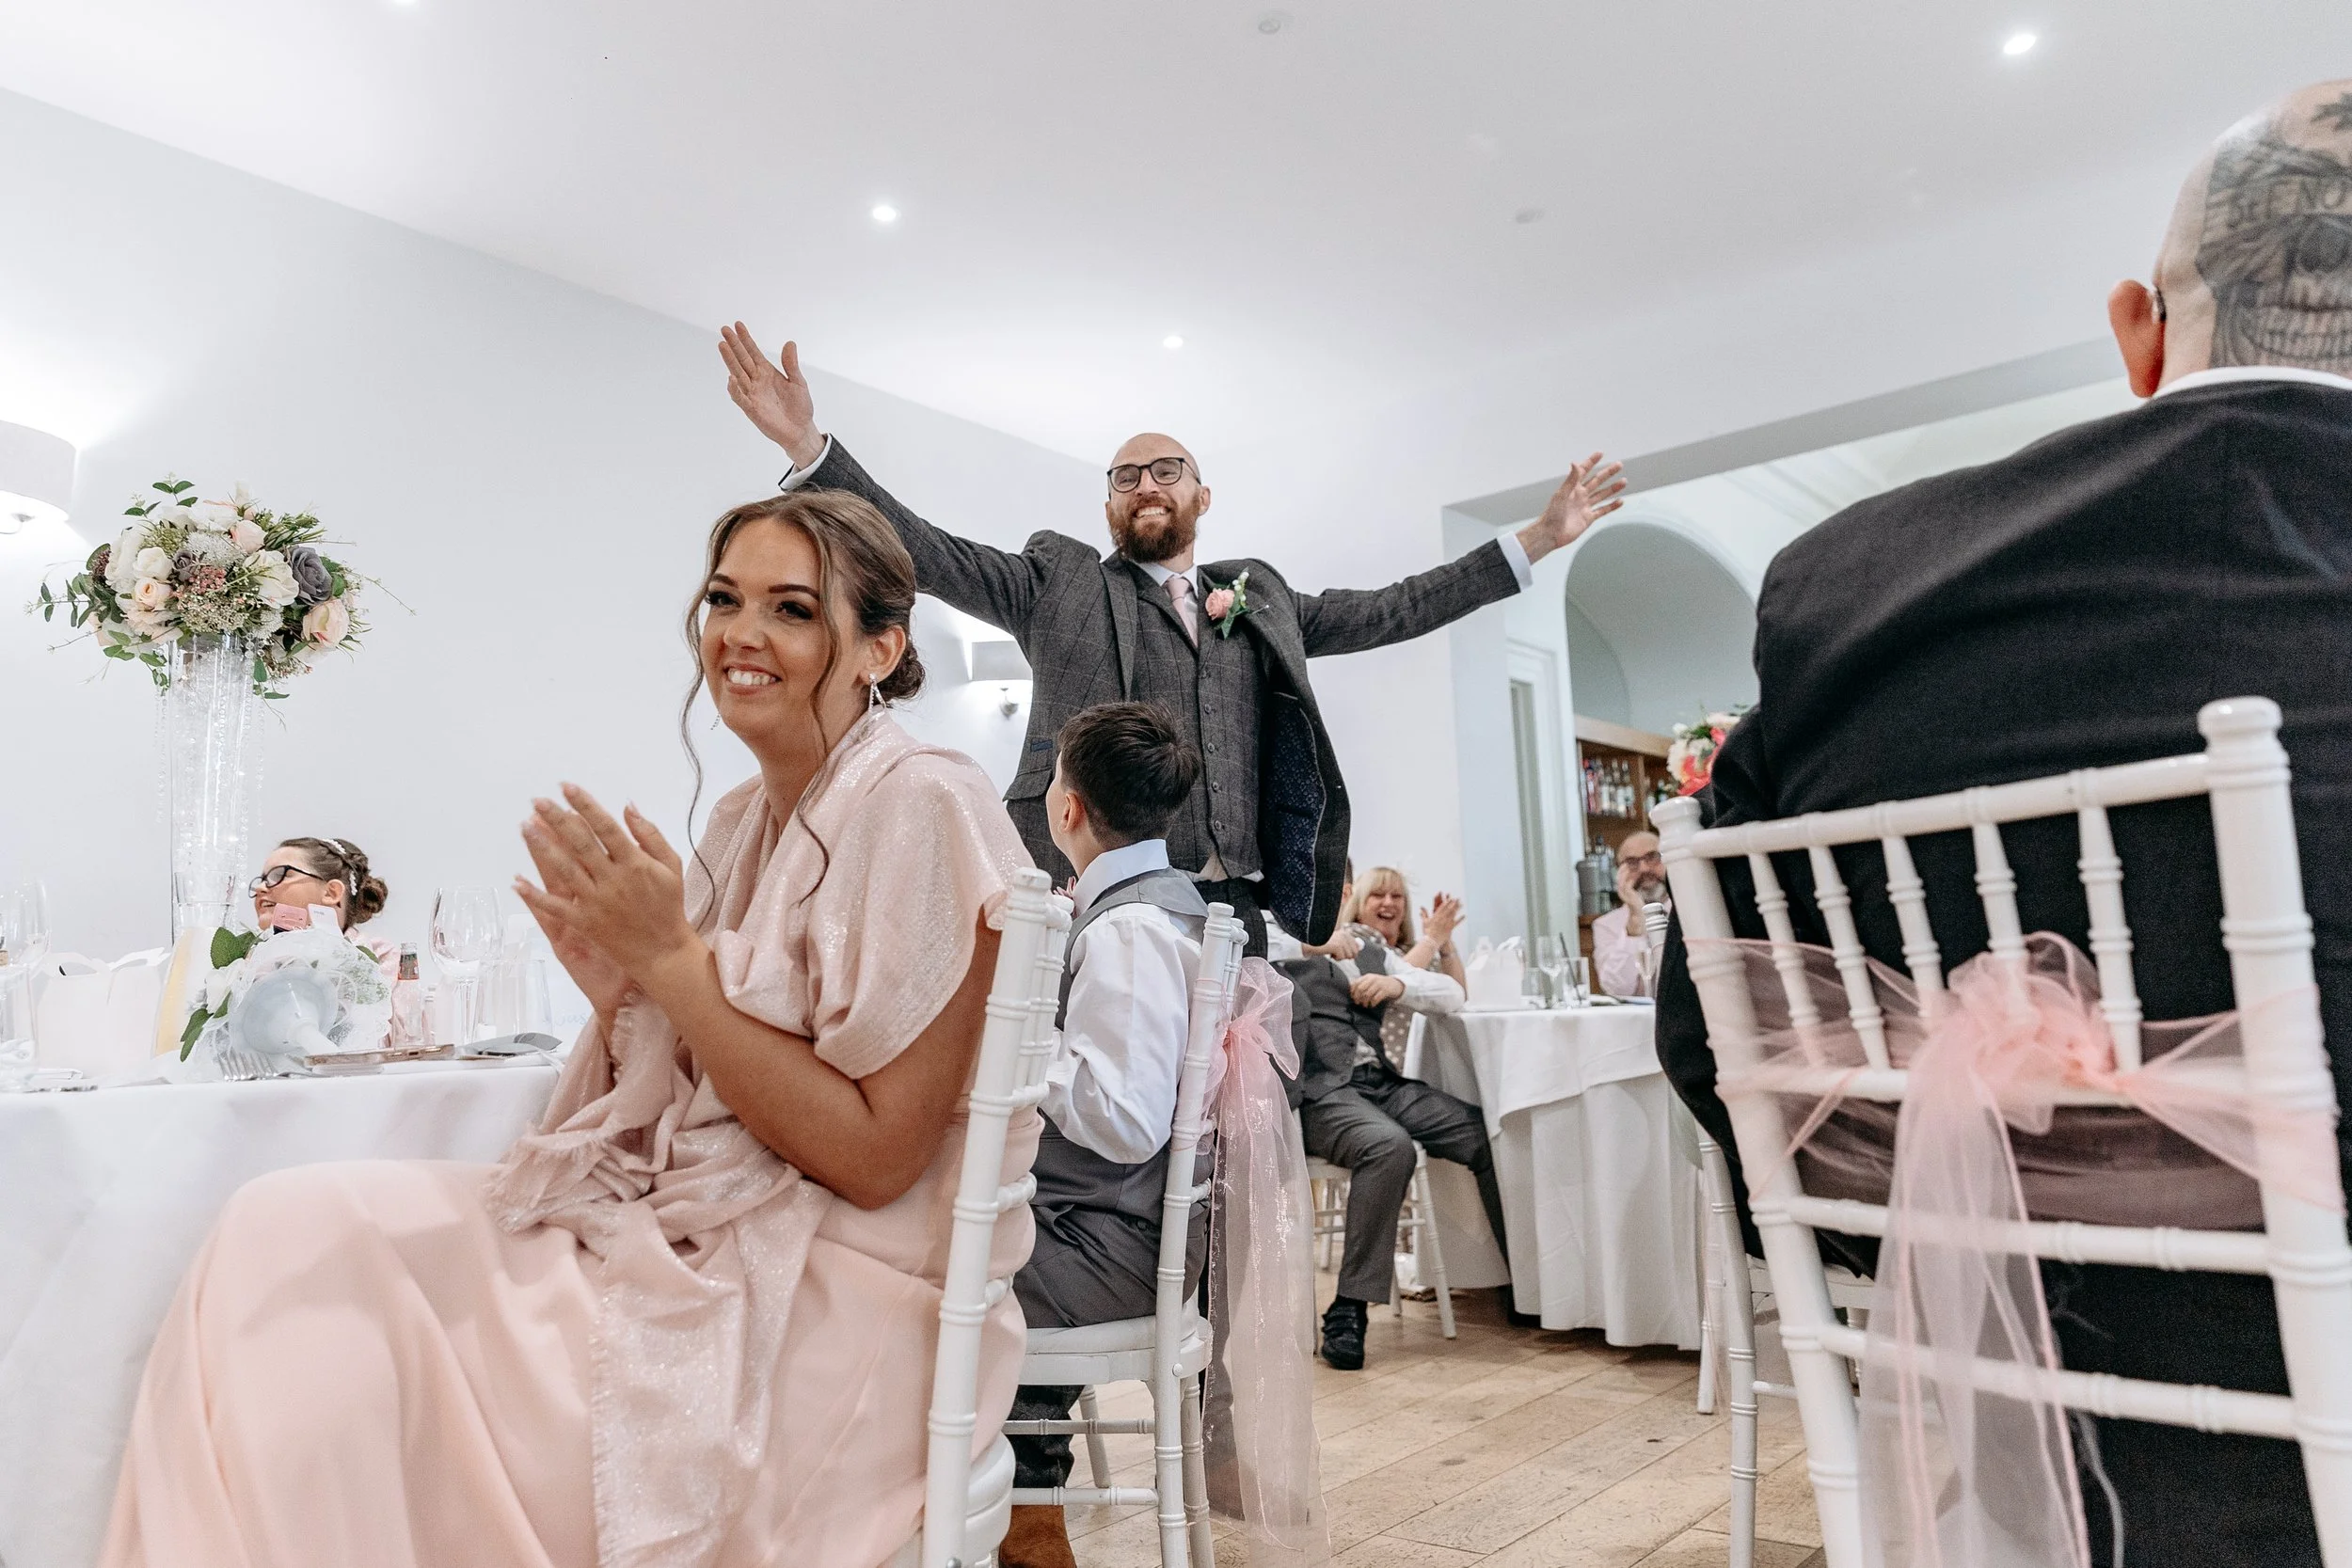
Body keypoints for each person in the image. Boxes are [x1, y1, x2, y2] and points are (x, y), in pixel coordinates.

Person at [1655, 79, 2352, 1568]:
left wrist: (1964, 1248)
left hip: (2037, 1439)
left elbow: (1710, 1026)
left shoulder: (1850, 586)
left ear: (2140, 329)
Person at [102, 490, 1040, 1568]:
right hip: (720, 1237)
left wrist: (673, 970)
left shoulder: (925, 801)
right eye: (724, 599)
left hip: (840, 1308)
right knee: (281, 1232)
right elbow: (723, 1061)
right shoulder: (742, 820)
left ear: (881, 645)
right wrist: (624, 997)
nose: (740, 633)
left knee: (323, 1267)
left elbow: (878, 1158)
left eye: (792, 608)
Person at [719, 323, 1627, 956]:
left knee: (1230, 1121)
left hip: (1242, 903)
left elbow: (1395, 606)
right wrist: (810, 448)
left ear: (1201, 495)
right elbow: (930, 551)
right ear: (1108, 504)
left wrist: (1535, 541)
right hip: (1094, 891)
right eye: (1123, 475)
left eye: (1166, 470)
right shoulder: (1058, 580)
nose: (1144, 484)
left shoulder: (1257, 596)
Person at [1002, 702, 1207, 1568]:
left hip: (1112, 1241)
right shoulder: (1158, 903)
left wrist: (1016, 1038)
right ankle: (1020, 1502)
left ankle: (1011, 1513)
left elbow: (1124, 1120)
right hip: (1118, 1225)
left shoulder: (1127, 928)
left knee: (915, 1262)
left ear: (1069, 807)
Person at [1270, 873, 1502, 1370]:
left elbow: (1450, 994)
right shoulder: (1274, 940)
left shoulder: (1368, 950)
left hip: (1380, 1082)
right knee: (1388, 1147)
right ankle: (1349, 1309)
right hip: (1321, 1094)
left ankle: (1519, 1280)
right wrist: (1310, 945)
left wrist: (1398, 982)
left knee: (1484, 1133)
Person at [246, 835, 389, 936]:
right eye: (263, 879)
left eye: (278, 875)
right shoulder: (239, 967)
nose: (260, 888)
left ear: (331, 893)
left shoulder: (379, 971)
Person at [1589, 832, 1665, 998]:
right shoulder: (1606, 925)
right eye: (1632, 863)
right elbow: (1617, 990)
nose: (1644, 868)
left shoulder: (1690, 910)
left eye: (1652, 857)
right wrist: (1635, 923)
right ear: (1619, 872)